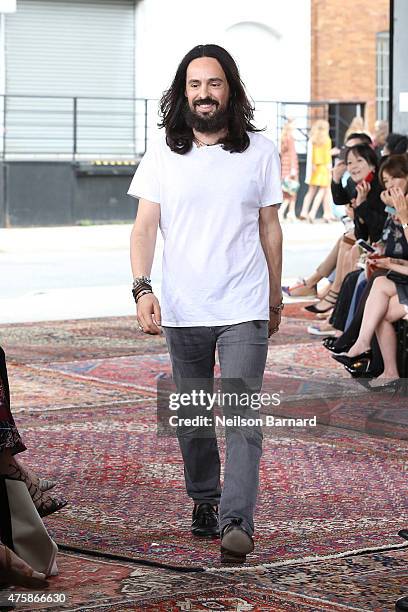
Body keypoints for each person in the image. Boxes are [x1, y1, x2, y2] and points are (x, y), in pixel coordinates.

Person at [128, 44, 283, 564]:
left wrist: (274, 294)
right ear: (183, 92)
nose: (204, 94)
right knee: (192, 417)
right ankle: (205, 499)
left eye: (213, 84)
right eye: (194, 85)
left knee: (242, 417)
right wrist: (142, 287)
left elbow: (270, 227)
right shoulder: (163, 152)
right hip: (183, 307)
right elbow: (145, 226)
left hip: (243, 303)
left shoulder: (260, 152)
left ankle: (237, 520)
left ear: (230, 90)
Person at [300, 119, 333, 222]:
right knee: (323, 191)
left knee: (311, 191)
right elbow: (327, 156)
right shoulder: (327, 140)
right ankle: (313, 213)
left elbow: (312, 156)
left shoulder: (313, 140)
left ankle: (304, 211)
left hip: (314, 168)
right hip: (323, 167)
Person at [279, 118, 299, 222]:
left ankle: (291, 213)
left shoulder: (283, 138)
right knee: (291, 191)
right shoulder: (290, 137)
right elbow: (292, 154)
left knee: (289, 191)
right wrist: (293, 169)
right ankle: (283, 212)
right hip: (291, 168)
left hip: (285, 167)